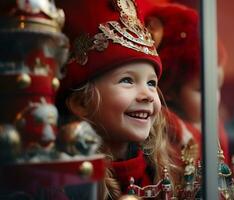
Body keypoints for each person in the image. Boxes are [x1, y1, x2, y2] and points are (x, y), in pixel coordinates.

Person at [55, 0, 183, 199]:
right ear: (81, 102)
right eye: (127, 80)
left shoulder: (163, 172)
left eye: (151, 83)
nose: (148, 95)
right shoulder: (63, 184)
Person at [145, 3, 230, 162]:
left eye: (218, 86)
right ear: (169, 91)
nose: (215, 98)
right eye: (201, 89)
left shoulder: (214, 126)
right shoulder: (165, 141)